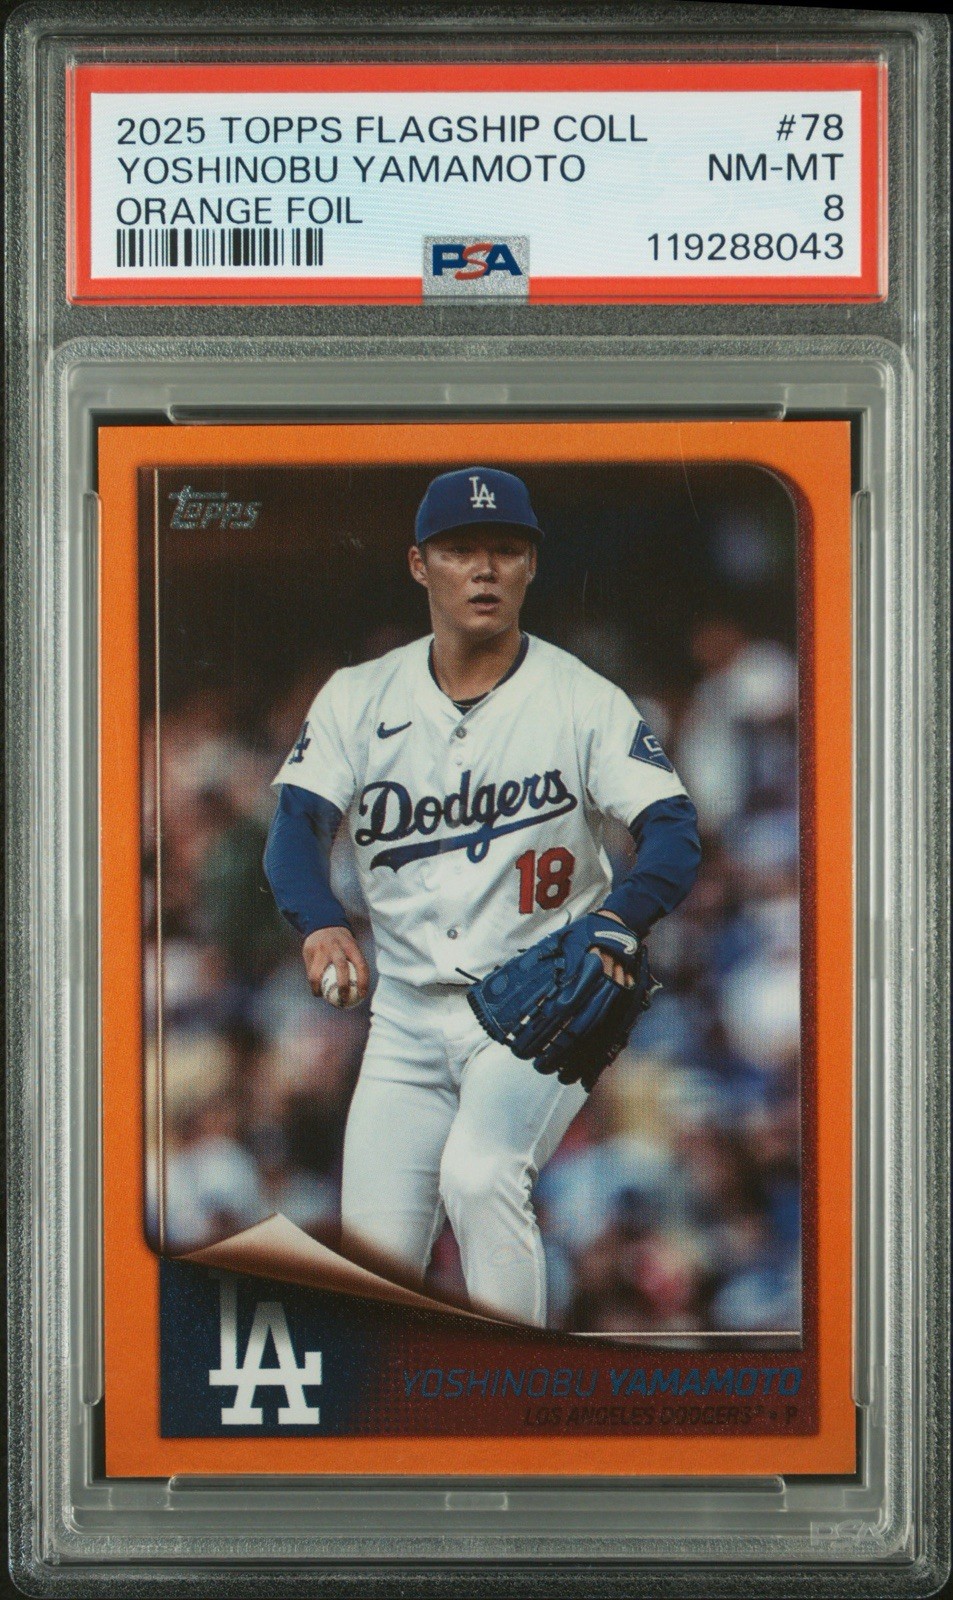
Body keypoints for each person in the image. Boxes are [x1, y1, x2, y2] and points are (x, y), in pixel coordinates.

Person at [264, 467, 700, 1325]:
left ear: (531, 565)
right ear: (419, 564)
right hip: (404, 1018)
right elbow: (295, 827)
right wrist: (318, 924)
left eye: (505, 548)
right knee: (371, 1265)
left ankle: (519, 1392)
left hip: (539, 1000)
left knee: (479, 1172)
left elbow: (673, 829)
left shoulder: (581, 699)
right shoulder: (358, 696)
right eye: (460, 549)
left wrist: (618, 920)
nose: (484, 568)